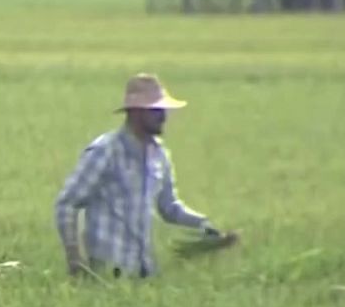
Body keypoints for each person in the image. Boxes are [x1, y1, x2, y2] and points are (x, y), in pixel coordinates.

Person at [54, 73, 230, 279]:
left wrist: (204, 225)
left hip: (143, 270)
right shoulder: (106, 151)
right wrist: (75, 259)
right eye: (156, 111)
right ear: (136, 112)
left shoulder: (159, 154)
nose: (163, 117)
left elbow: (169, 207)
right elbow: (66, 203)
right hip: (108, 271)